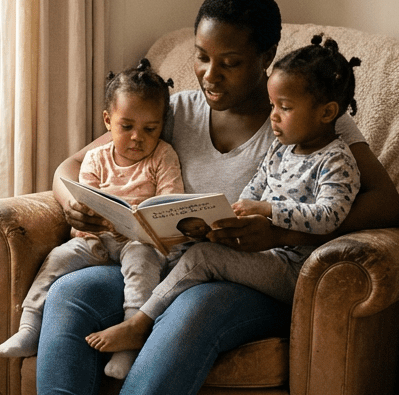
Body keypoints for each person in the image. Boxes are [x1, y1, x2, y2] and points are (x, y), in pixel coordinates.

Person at [8, 0, 399, 395]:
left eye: (230, 62)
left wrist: (281, 227)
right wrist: (72, 199)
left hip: (247, 277)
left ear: (266, 60)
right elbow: (78, 161)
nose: (208, 75)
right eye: (201, 57)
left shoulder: (306, 115)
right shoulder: (178, 111)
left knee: (192, 310)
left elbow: (386, 203)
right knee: (72, 294)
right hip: (154, 262)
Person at [86, 35, 361, 356]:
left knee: (203, 258)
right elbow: (256, 188)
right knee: (194, 247)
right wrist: (228, 217)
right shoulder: (282, 148)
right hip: (268, 256)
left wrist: (268, 211)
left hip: (295, 269)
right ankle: (143, 311)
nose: (272, 116)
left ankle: (140, 323)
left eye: (284, 108)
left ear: (327, 113)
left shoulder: (337, 161)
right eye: (272, 106)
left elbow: (330, 215)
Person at [0, 61, 183, 381]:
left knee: (141, 263)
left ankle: (128, 342)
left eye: (150, 129)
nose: (138, 138)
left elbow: (170, 203)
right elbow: (86, 203)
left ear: (161, 126)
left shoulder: (163, 156)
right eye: (127, 127)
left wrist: (144, 221)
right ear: (108, 121)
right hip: (95, 240)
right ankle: (29, 325)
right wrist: (95, 221)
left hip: (140, 242)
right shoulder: (96, 159)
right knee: (57, 258)